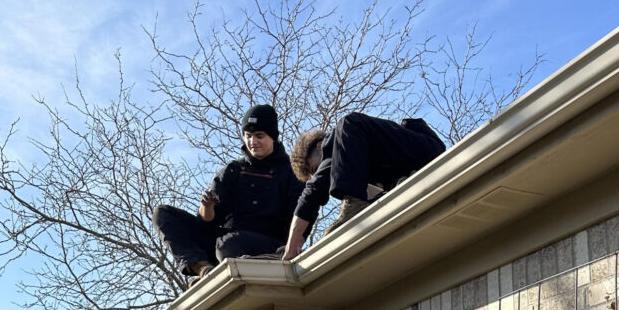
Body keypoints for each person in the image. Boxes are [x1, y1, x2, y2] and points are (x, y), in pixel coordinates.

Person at [153, 105, 304, 284]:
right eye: (248, 136)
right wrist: (207, 206)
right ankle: (205, 270)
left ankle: (235, 264)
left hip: (270, 244)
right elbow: (206, 224)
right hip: (224, 244)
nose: (252, 141)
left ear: (272, 136)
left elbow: (302, 214)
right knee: (163, 214)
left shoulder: (290, 171)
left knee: (228, 245)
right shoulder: (233, 170)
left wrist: (293, 246)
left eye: (259, 136)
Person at [283, 112, 445, 260]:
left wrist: (291, 248)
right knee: (364, 183)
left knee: (348, 123)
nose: (319, 174)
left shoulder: (338, 138)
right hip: (415, 167)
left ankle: (355, 204)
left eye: (314, 169)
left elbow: (313, 193)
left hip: (426, 149)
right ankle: (399, 184)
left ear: (319, 146)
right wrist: (298, 245)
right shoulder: (359, 155)